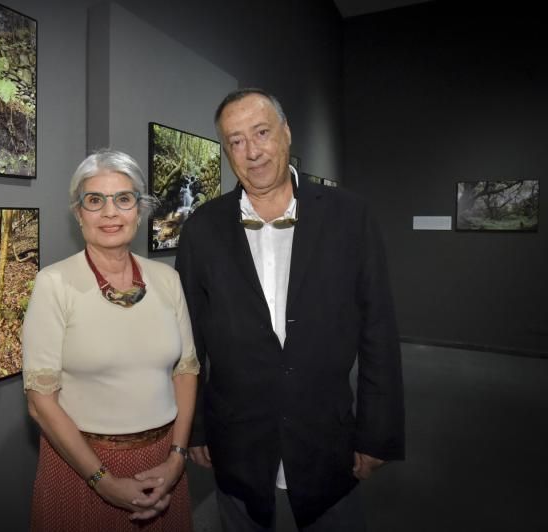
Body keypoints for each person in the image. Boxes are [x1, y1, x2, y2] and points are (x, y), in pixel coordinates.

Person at [175, 88, 405, 531]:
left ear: (287, 133)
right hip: (237, 438)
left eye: (261, 133)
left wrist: (378, 432)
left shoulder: (350, 217)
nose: (252, 151)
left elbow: (378, 330)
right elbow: (188, 341)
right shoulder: (202, 228)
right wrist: (196, 428)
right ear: (226, 152)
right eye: (236, 141)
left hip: (328, 437)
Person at [21, 149, 200, 531]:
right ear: (78, 212)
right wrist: (104, 481)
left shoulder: (168, 281)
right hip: (81, 467)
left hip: (163, 465)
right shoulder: (54, 284)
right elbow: (40, 403)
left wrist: (177, 457)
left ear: (139, 209)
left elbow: (185, 372)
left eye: (123, 199)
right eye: (94, 200)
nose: (110, 212)